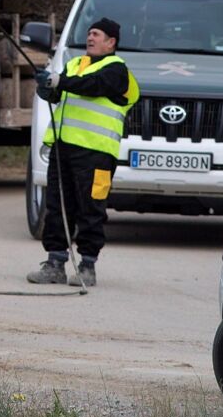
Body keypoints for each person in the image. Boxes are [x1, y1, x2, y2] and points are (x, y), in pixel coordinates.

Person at [27, 18, 139, 287]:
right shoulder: (74, 65)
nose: (90, 38)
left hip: (96, 153)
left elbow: (91, 86)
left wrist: (59, 81)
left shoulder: (116, 70)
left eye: (96, 34)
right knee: (57, 206)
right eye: (89, 33)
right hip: (64, 148)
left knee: (91, 209)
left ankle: (87, 266)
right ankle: (55, 264)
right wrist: (48, 89)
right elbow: (64, 93)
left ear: (111, 42)